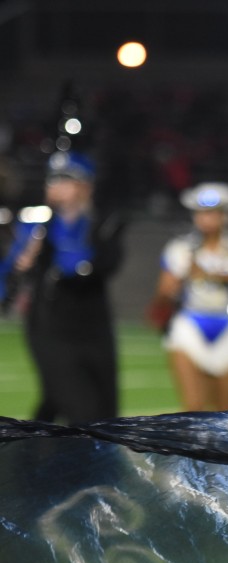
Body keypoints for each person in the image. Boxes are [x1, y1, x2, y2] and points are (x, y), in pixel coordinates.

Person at [0, 150, 124, 424]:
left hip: (94, 325)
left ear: (85, 185)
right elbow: (11, 271)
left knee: (103, 410)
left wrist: (66, 259)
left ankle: (28, 456)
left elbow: (103, 262)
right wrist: (24, 263)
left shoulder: (102, 222)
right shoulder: (35, 226)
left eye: (64, 180)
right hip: (50, 324)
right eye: (52, 179)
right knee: (82, 411)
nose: (54, 186)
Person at [149, 182, 228, 412]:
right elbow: (163, 291)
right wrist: (170, 290)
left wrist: (215, 275)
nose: (205, 219)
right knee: (194, 409)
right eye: (201, 213)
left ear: (226, 216)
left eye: (212, 212)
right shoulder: (180, 248)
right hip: (191, 323)